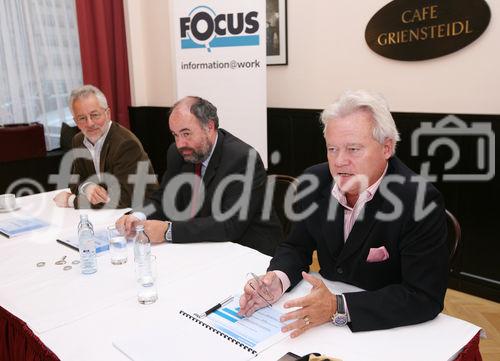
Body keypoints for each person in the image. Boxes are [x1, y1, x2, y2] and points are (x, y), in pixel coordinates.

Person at [239, 90, 449, 335]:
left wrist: (338, 306)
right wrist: (278, 279)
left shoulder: (418, 200)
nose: (339, 162)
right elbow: (296, 247)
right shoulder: (314, 181)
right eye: (332, 149)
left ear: (386, 148)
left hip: (386, 329)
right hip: (323, 320)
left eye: (353, 149)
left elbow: (423, 296)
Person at [116, 96, 283, 256]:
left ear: (209, 127)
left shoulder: (243, 159)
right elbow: (163, 198)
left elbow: (229, 225)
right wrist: (137, 216)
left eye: (186, 133)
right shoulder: (178, 153)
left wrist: (168, 231)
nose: (180, 144)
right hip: (203, 246)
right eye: (175, 135)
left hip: (249, 250)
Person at [53, 85, 158, 209]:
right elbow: (75, 181)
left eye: (95, 115)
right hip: (106, 215)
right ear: (75, 122)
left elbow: (123, 198)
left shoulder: (126, 144)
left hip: (141, 213)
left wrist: (72, 201)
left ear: (107, 114)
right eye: (82, 118)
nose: (90, 123)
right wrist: (86, 187)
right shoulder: (78, 140)